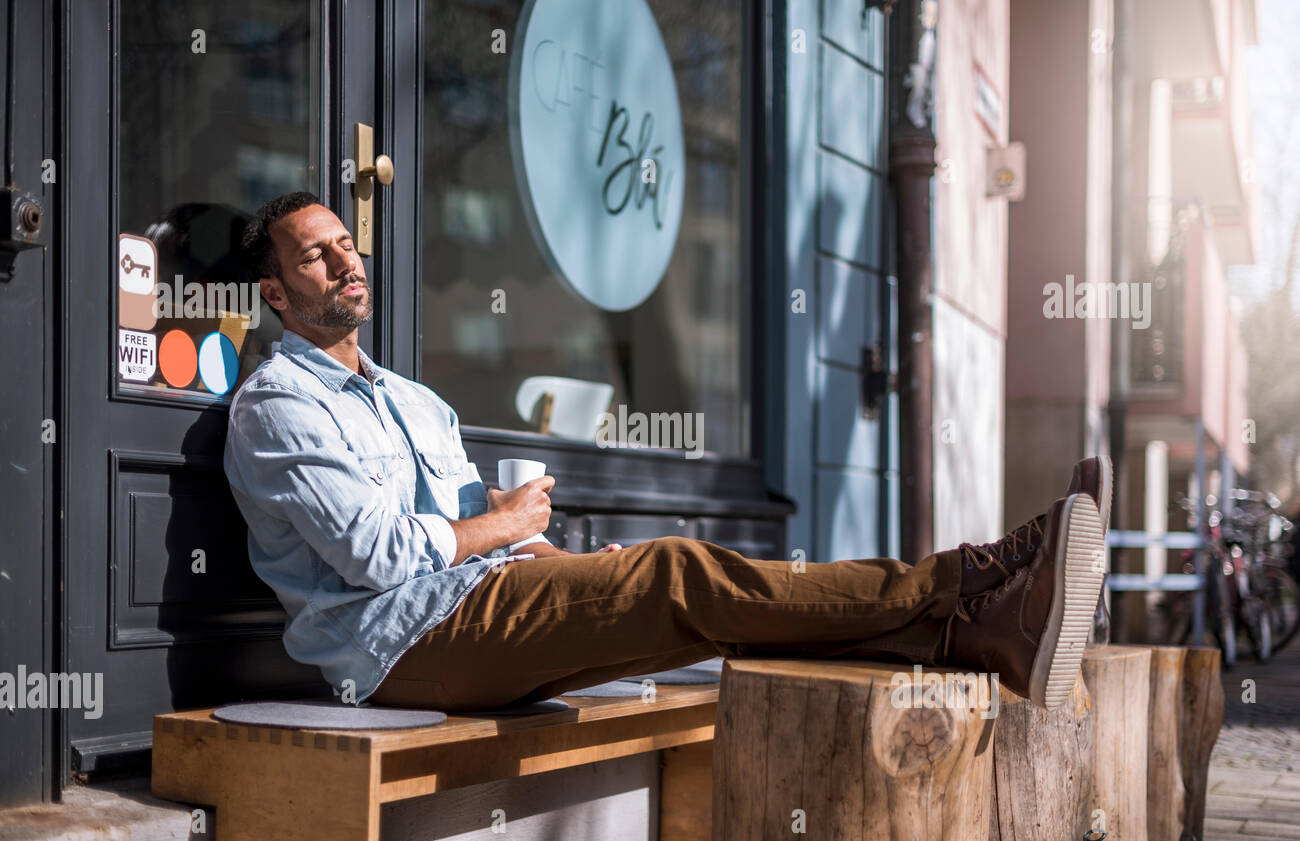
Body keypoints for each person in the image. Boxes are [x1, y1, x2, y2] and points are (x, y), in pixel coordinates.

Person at [223, 192, 1111, 714]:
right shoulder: (277, 406)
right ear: (275, 291)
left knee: (690, 609)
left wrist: (565, 564)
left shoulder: (413, 399)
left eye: (348, 243)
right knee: (679, 577)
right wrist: (502, 526)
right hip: (396, 651)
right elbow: (377, 557)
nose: (345, 262)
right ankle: (967, 578)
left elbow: (486, 532)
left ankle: (975, 635)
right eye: (315, 256)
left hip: (484, 604)